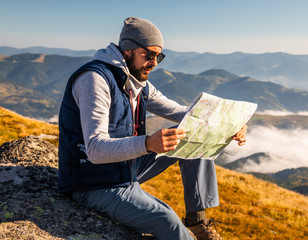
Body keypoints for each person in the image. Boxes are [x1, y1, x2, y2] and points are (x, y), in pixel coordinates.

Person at [58, 17, 247, 240]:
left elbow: (185, 114)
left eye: (159, 56)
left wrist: (228, 125)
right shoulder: (94, 79)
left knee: (191, 131)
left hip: (126, 169)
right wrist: (147, 144)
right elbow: (95, 149)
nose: (155, 62)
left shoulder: (138, 83)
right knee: (166, 219)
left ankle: (197, 221)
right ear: (127, 50)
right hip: (93, 182)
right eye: (149, 55)